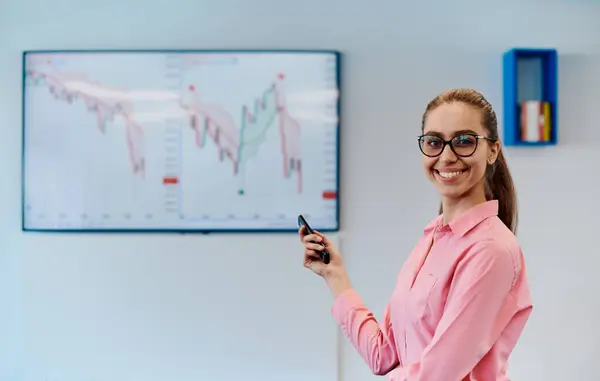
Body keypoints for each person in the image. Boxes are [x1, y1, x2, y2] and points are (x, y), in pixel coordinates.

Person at [299, 89, 533, 381]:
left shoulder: (491, 250)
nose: (447, 157)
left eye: (464, 141)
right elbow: (383, 355)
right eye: (434, 142)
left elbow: (437, 374)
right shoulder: (432, 238)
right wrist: (335, 275)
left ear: (493, 150)